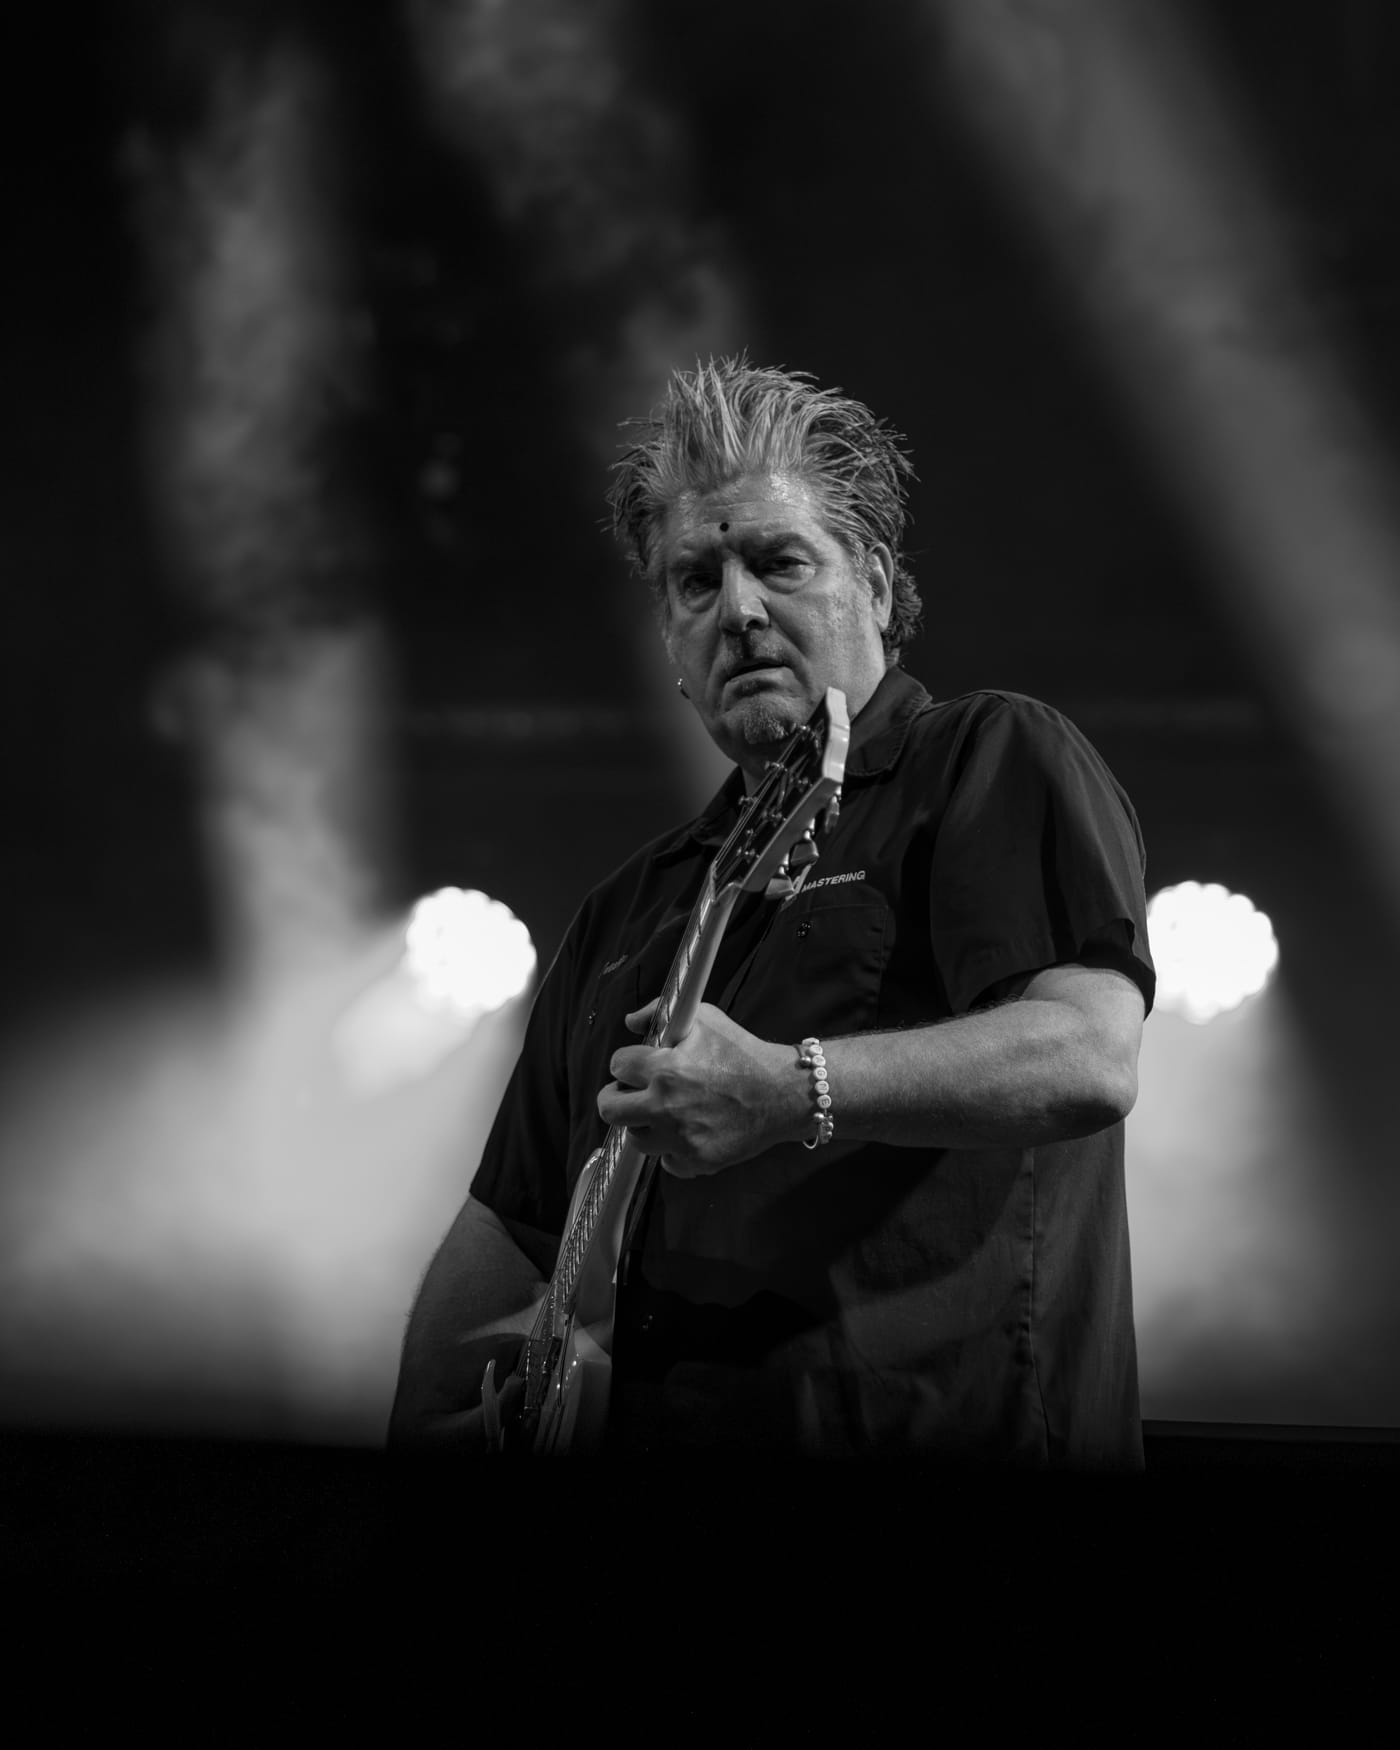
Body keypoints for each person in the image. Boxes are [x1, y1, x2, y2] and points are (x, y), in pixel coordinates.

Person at [388, 358, 1155, 1468]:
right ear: (669, 644)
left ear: (874, 588)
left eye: (779, 562)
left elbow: (1089, 1054)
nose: (738, 610)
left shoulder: (984, 756)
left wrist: (790, 1091)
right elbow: (512, 1224)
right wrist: (437, 1417)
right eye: (695, 582)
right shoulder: (627, 909)